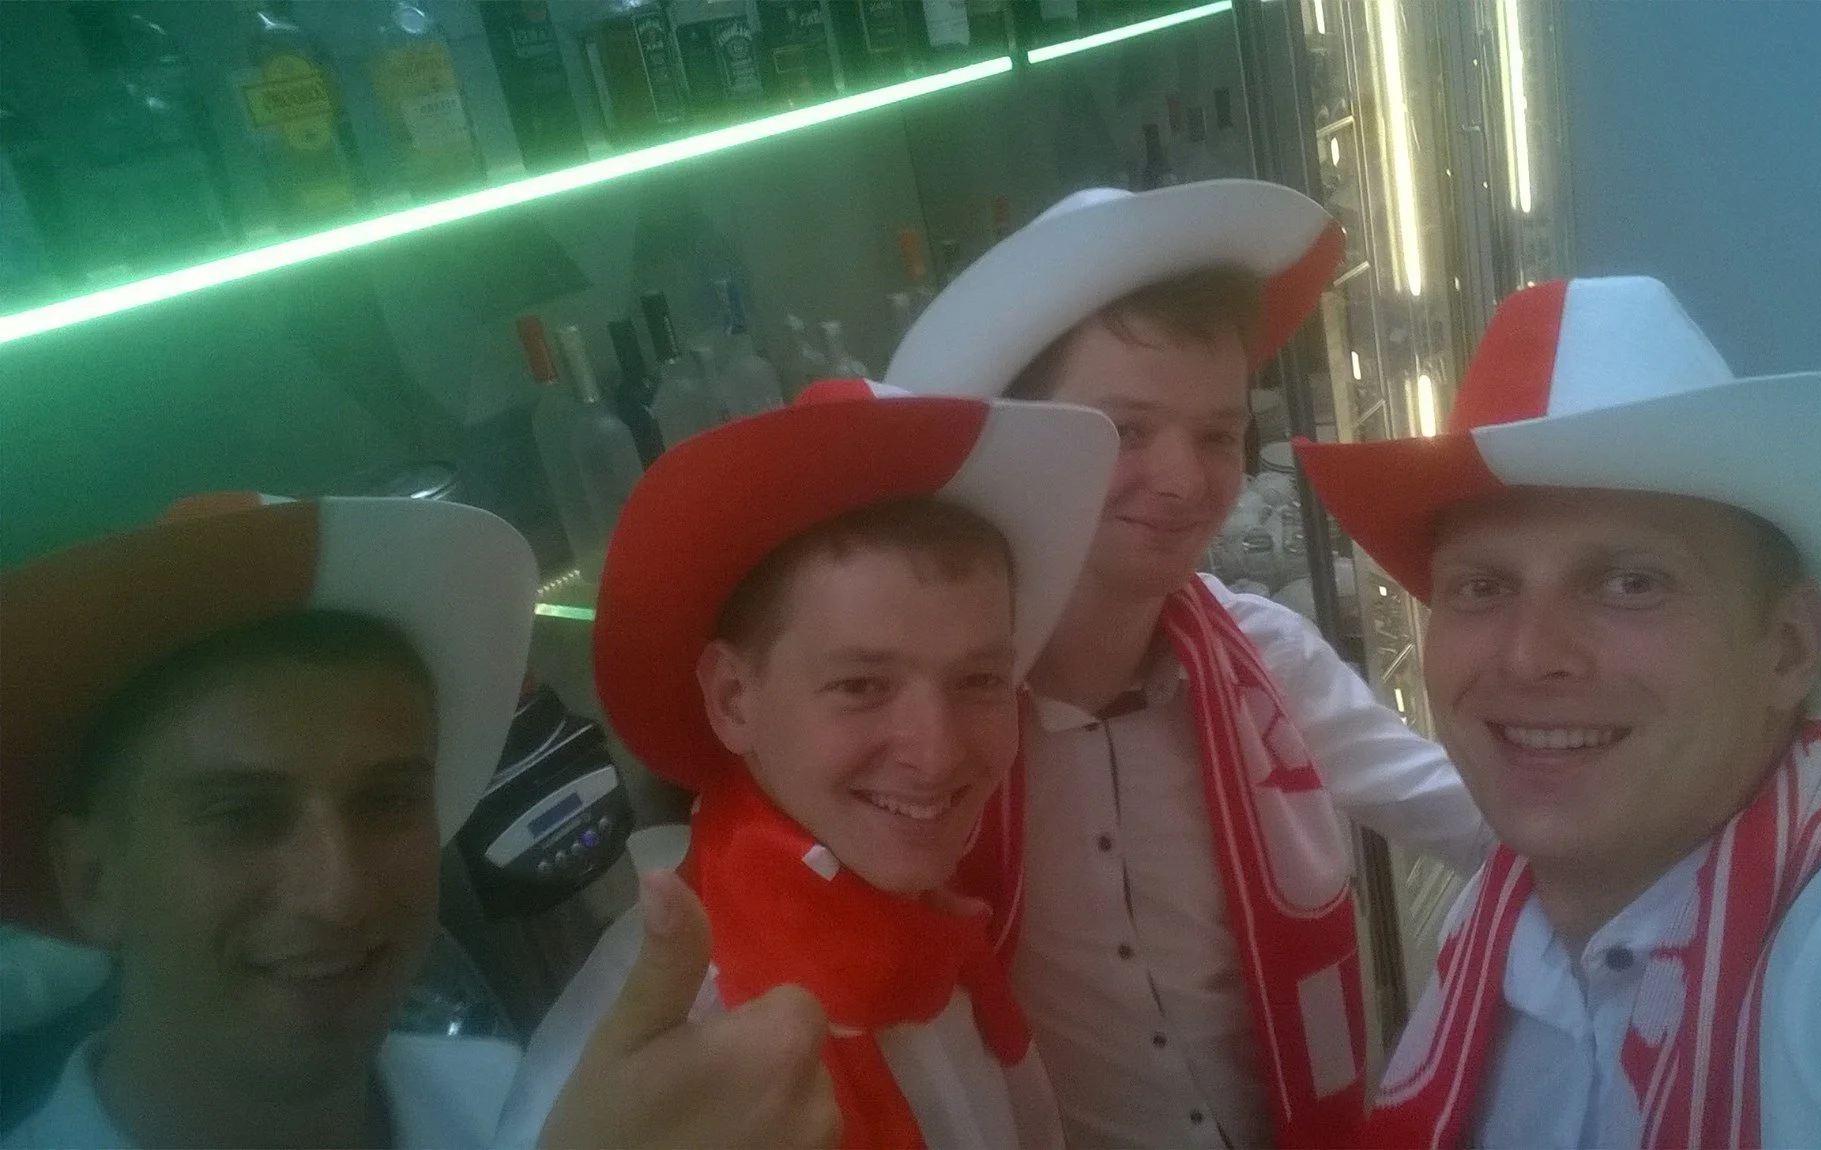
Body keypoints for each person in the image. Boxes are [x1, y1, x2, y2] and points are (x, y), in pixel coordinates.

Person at [1293, 275, 1821, 1147]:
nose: (1531, 654)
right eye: (1483, 585)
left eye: (1629, 583)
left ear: (1789, 648)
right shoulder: (1492, 923)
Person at [885, 180, 1492, 1147]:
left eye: (1216, 436)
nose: (1183, 480)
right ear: (1020, 442)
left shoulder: (1269, 659)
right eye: (1125, 431)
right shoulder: (925, 734)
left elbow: (1478, 817)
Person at [500, 379, 1120, 1148]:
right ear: (733, 700)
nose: (936, 753)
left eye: (979, 681)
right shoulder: (658, 1049)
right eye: (862, 686)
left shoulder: (932, 925)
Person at [0, 494, 536, 1149]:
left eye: (387, 800)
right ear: (91, 879)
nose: (337, 895)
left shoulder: (523, 1104)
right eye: (243, 816)